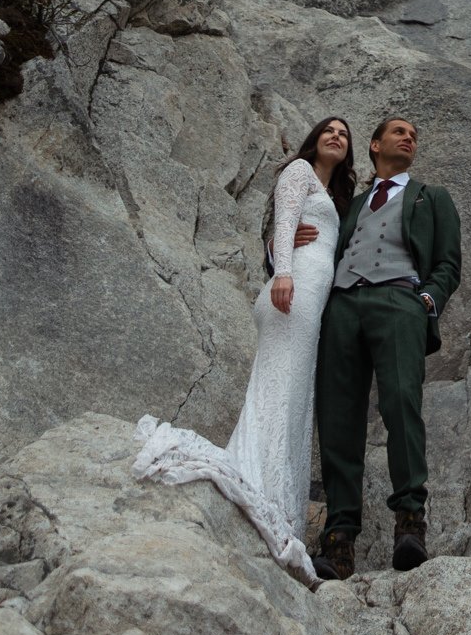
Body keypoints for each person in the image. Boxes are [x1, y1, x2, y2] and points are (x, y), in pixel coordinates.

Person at [132, 115, 355, 584]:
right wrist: (282, 270)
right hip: (290, 295)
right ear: (314, 141)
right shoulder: (298, 172)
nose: (336, 136)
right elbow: (286, 220)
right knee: (280, 393)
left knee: (293, 399)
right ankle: (264, 493)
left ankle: (279, 507)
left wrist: (284, 258)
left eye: (344, 134)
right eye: (328, 130)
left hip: (312, 301)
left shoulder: (338, 195)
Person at [310, 113, 461, 582]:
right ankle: (338, 542)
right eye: (399, 132)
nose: (409, 138)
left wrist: (427, 299)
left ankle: (410, 523)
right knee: (337, 419)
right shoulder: (350, 204)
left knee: (400, 404)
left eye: (414, 135)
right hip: (342, 306)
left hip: (399, 300)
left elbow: (449, 262)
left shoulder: (431, 198)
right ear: (375, 146)